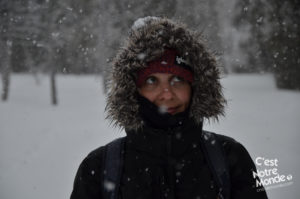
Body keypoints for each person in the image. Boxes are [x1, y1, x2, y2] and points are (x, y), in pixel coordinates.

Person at [70, 17, 268, 199]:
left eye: (178, 80)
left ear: (196, 87)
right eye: (151, 80)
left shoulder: (229, 158)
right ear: (133, 89)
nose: (166, 94)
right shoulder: (99, 167)